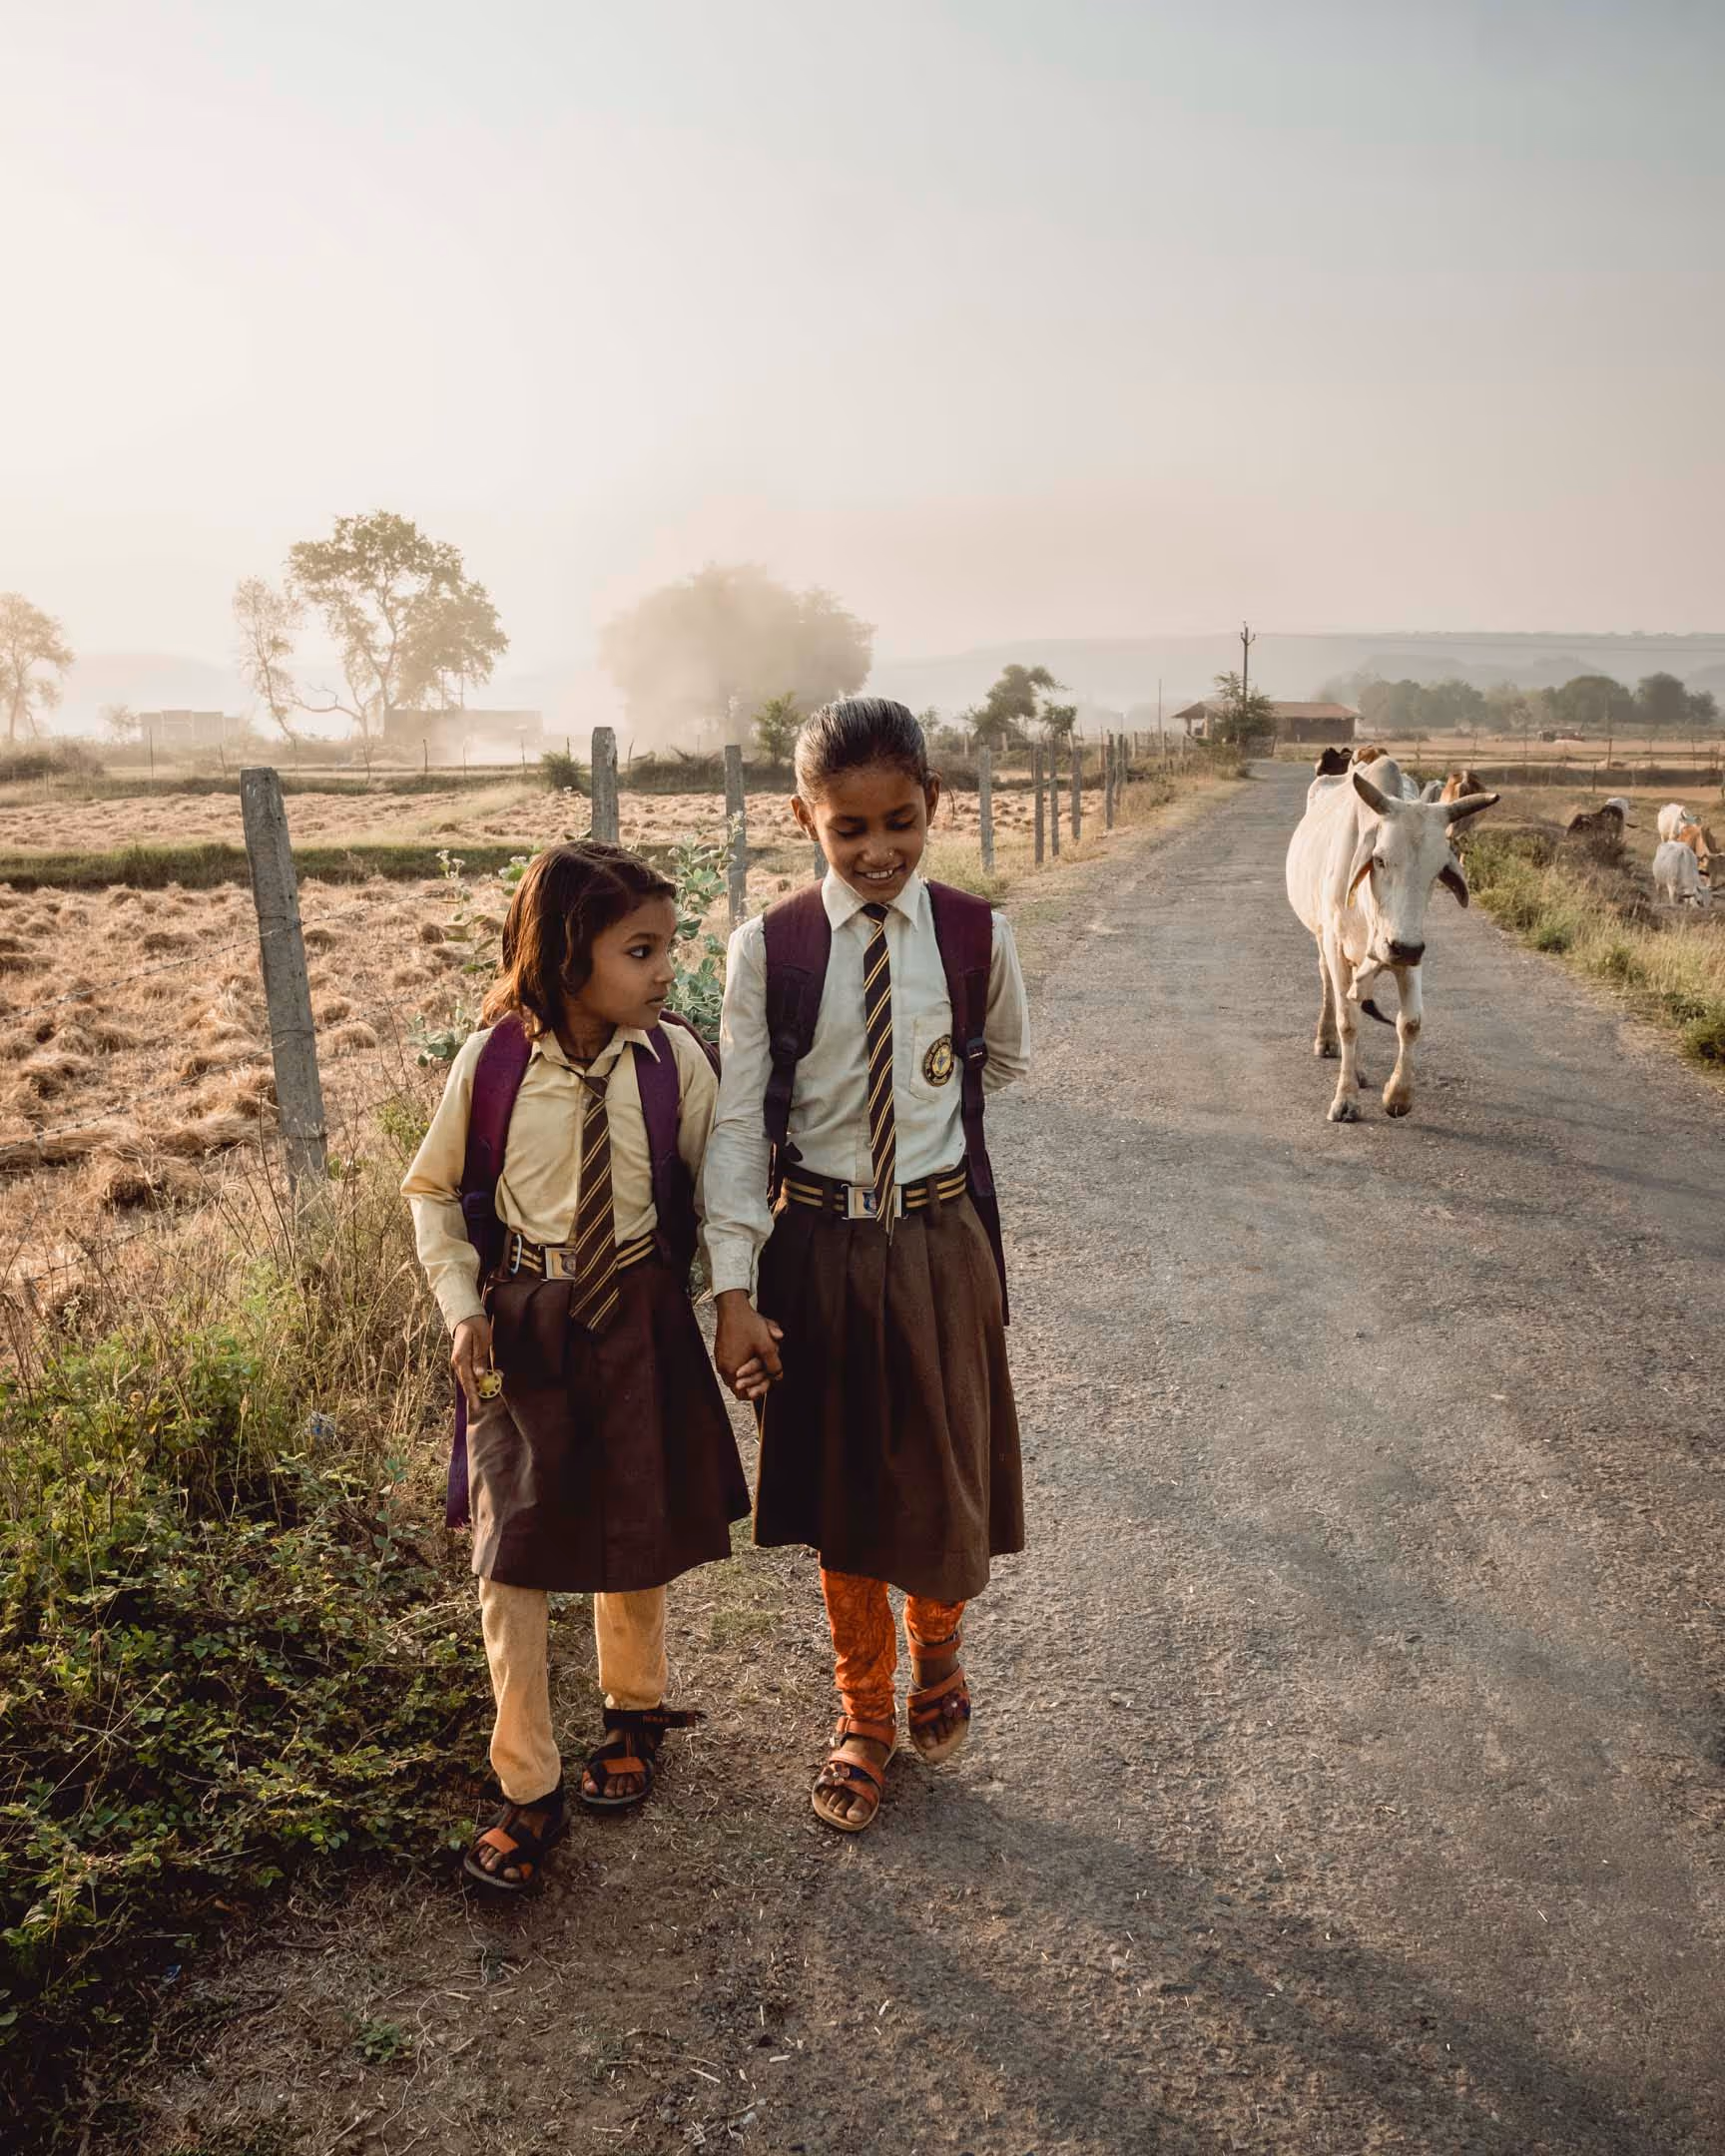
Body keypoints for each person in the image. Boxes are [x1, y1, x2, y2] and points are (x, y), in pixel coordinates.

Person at [704, 697, 1029, 1833]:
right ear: (805, 818)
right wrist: (734, 1289)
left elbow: (1005, 1060)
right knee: (845, 1495)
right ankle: (864, 1712)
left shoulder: (976, 937)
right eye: (850, 830)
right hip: (821, 1252)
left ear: (933, 804)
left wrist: (928, 1120)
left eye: (901, 820)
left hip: (941, 1245)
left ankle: (937, 1649)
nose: (879, 850)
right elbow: (741, 1125)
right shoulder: (771, 950)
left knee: (945, 1474)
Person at [403, 841, 749, 1890]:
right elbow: (431, 1191)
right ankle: (527, 1786)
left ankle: (635, 1715)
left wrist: (735, 1295)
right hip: (526, 1322)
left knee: (634, 1523)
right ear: (565, 957)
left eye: (669, 947)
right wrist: (462, 1308)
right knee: (509, 1557)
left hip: (638, 1304)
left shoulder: (673, 1059)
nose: (662, 970)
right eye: (639, 950)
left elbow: (726, 1172)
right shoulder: (494, 1064)